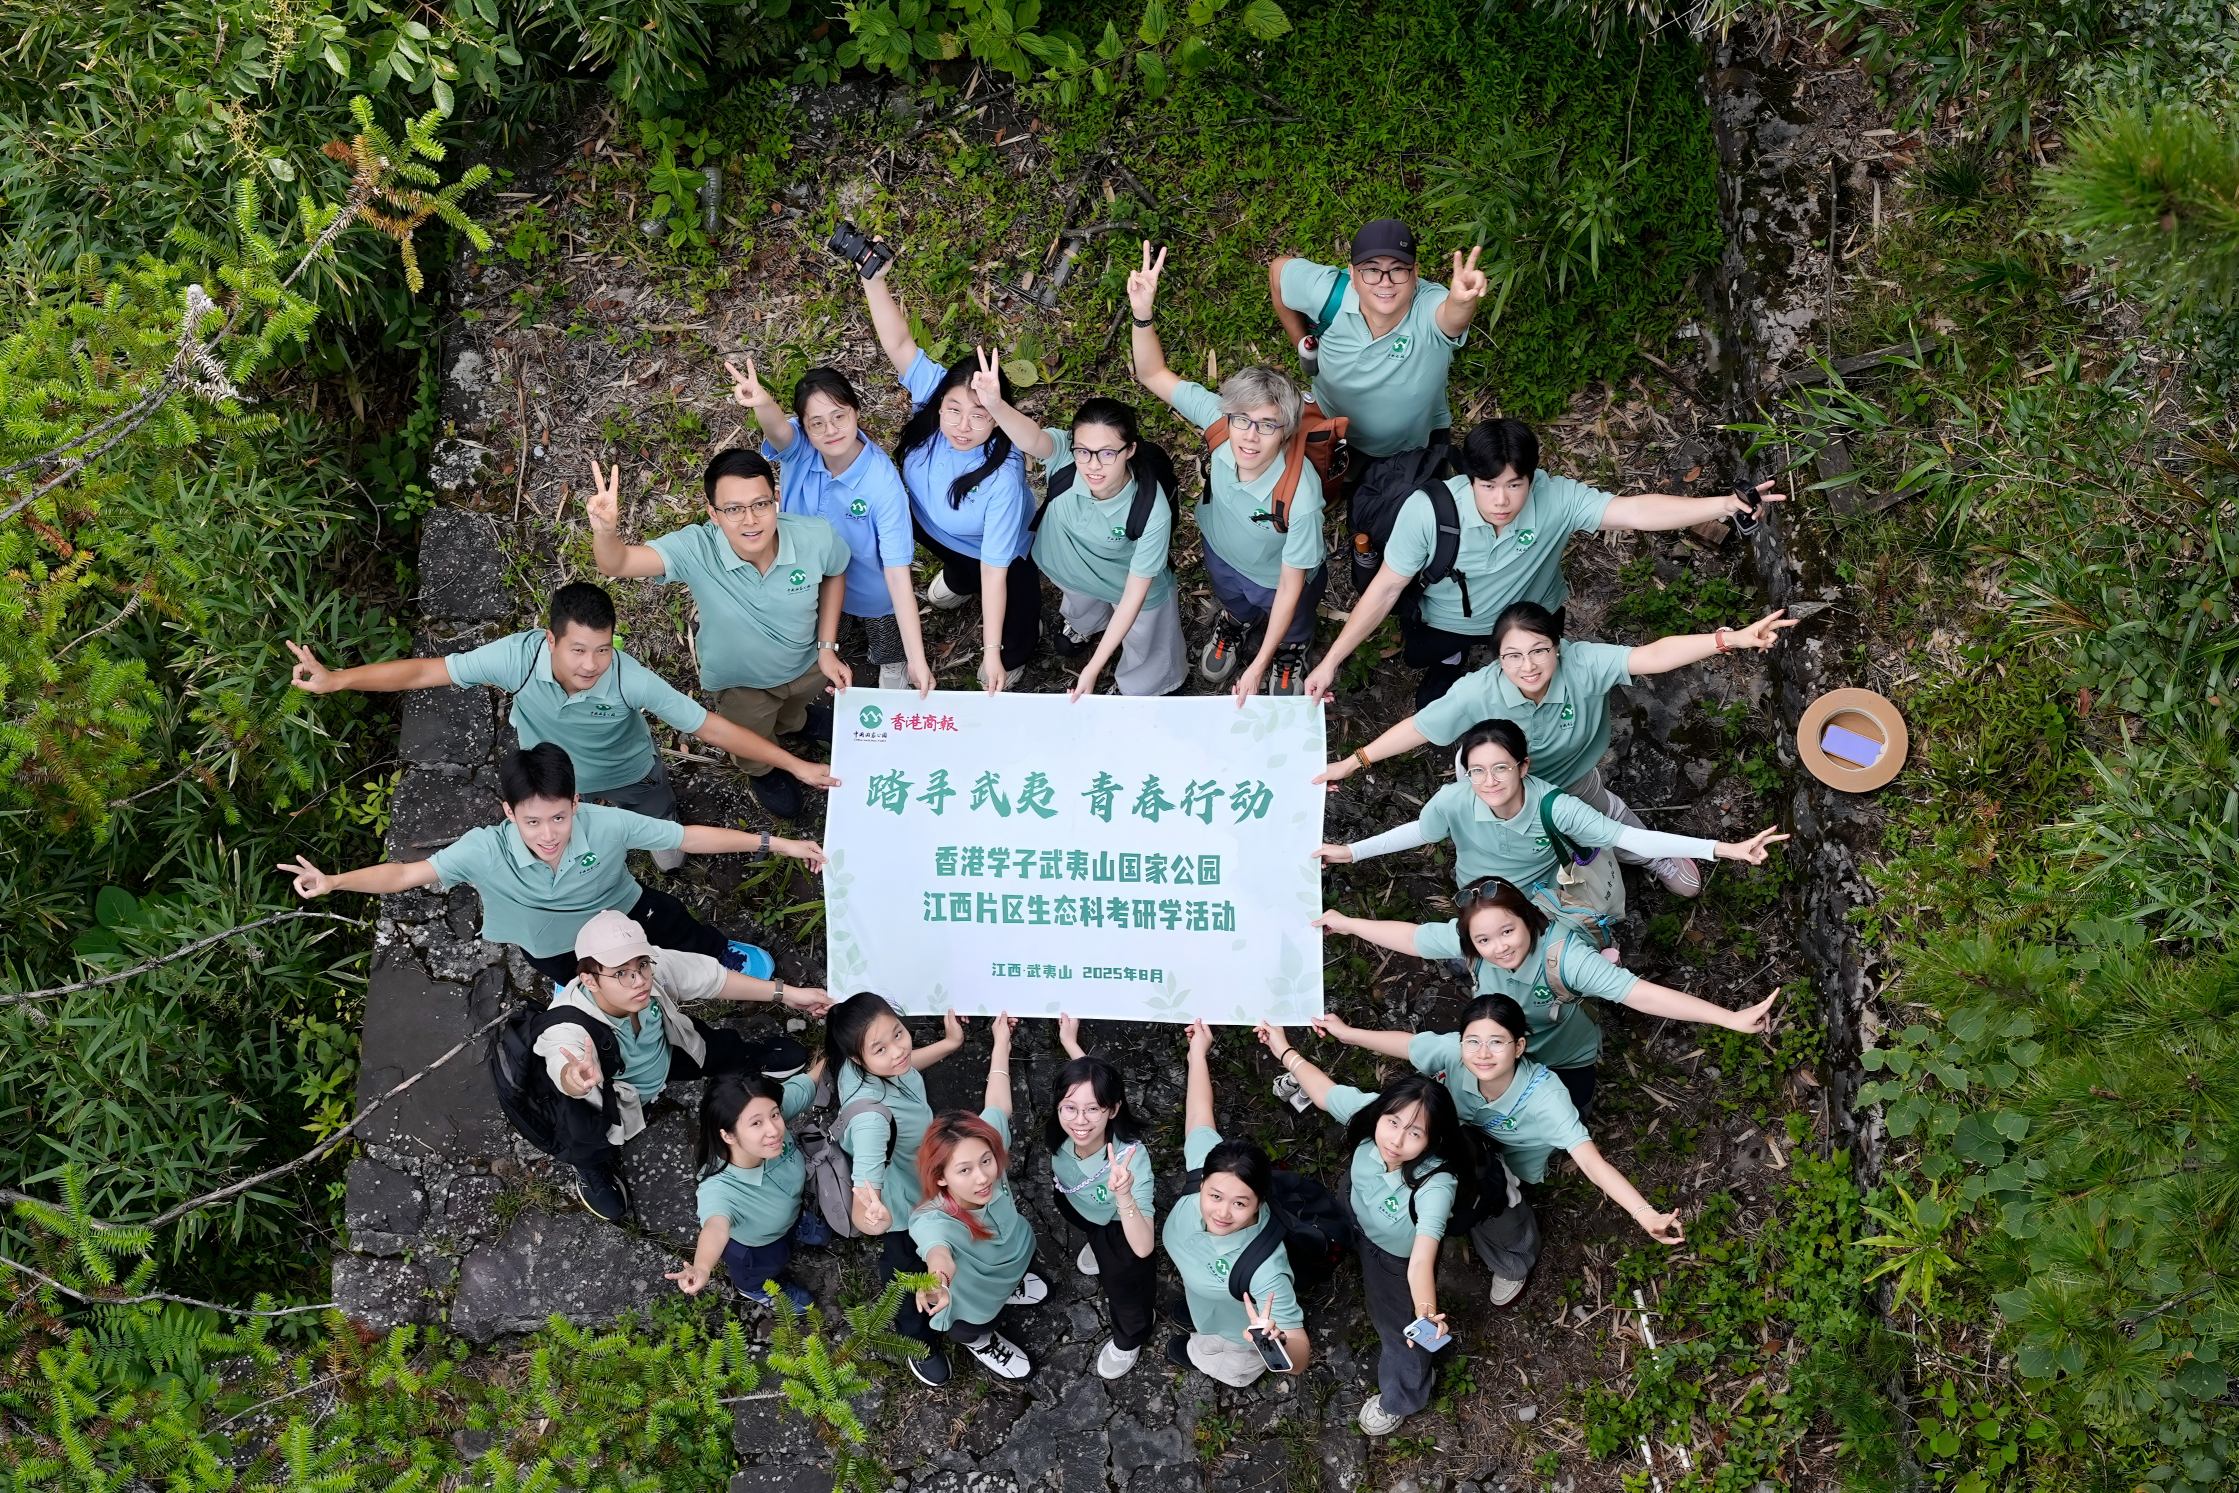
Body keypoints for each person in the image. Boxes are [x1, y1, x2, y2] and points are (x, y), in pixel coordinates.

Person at [285, 582, 837, 871]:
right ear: (549, 641)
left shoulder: (627, 679)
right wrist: (338, 680)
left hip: (631, 769)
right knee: (576, 831)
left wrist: (793, 764)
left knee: (658, 810)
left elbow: (710, 728)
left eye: (601, 649)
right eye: (577, 650)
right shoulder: (516, 658)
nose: (590, 665)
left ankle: (667, 847)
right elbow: (428, 670)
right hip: (560, 779)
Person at [1317, 600, 1798, 893]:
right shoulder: (1476, 692)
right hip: (1497, 784)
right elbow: (1421, 727)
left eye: (1538, 651)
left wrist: (1727, 639)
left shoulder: (1584, 664)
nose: (1527, 666)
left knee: (1602, 818)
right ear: (1496, 657)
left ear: (1558, 647)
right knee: (1515, 840)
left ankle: (1649, 857)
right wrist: (1354, 762)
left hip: (1570, 774)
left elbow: (1652, 656)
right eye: (1512, 656)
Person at [1303, 418, 1787, 708]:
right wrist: (1331, 661)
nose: (1501, 500)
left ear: (1533, 478)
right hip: (1448, 619)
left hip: (1533, 619)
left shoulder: (1556, 498)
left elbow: (1635, 511)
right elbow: (1386, 588)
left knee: (1534, 684)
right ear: (1469, 477)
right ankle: (1450, 662)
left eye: (1514, 485)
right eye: (1488, 485)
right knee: (1436, 664)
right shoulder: (1428, 512)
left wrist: (1722, 505)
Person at [277, 742, 824, 986]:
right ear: (507, 812)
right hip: (553, 944)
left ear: (577, 804)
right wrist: (336, 881)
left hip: (625, 908)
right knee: (575, 977)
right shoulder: (482, 849)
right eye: (531, 822)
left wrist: (776, 844)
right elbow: (404, 874)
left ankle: (716, 953)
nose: (547, 835)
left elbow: (686, 836)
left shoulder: (606, 825)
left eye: (559, 818)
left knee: (678, 924)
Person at [1308, 991, 1683, 1305]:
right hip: (1443, 1147)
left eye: (1497, 1042)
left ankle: (1512, 1261)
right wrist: (1348, 1034)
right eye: (1472, 1041)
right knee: (1436, 1204)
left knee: (1496, 1206)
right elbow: (1409, 1045)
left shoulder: (1544, 1096)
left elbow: (1589, 1159)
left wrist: (1644, 1213)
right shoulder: (1456, 1056)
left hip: (1501, 1165)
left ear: (1519, 1046)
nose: (1482, 1054)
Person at [1316, 876, 1778, 1118]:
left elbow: (1640, 995)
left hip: (1564, 1053)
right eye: (1483, 941)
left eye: (1507, 931)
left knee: (1573, 1100)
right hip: (1501, 1053)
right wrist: (1350, 924)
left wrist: (1728, 1018)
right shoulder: (1473, 944)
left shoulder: (1566, 959)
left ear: (1528, 919)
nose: (1499, 948)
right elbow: (1414, 938)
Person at [587, 450, 851, 821]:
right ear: (714, 514)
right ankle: (762, 769)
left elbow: (835, 571)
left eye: (760, 504)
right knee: (750, 732)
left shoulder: (814, 537)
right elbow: (618, 563)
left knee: (795, 706)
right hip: (742, 683)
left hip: (807, 664)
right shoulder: (697, 548)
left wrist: (826, 647)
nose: (750, 521)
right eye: (733, 509)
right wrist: (605, 532)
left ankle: (796, 724)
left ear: (776, 498)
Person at [525, 909, 821, 1222]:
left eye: (641, 965)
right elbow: (562, 1059)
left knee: (711, 1047)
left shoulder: (651, 970)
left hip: (662, 1055)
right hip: (608, 1098)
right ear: (589, 979)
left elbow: (712, 978)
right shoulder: (566, 1025)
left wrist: (786, 994)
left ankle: (749, 1059)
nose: (639, 981)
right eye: (621, 973)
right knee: (585, 1137)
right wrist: (576, 1078)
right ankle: (589, 1167)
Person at [1127, 242, 1327, 699]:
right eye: (1243, 420)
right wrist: (1142, 315)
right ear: (1230, 415)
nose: (1250, 436)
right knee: (1232, 599)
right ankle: (1236, 621)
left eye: (1267, 425)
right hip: (1220, 550)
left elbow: (1293, 583)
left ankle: (1289, 650)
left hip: (1279, 580)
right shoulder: (1220, 419)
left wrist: (1257, 667)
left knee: (1292, 617)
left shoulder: (1302, 496)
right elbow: (1153, 373)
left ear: (1287, 431)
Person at [1317, 718, 1786, 911]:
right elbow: (1419, 831)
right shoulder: (1455, 800)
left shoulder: (1552, 806)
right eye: (1475, 772)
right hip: (1485, 893)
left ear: (1523, 767)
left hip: (1550, 887)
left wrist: (1723, 849)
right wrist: (1351, 853)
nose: (1488, 783)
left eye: (1500, 768)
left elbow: (1626, 837)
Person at [1257, 1024, 1474, 1437]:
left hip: (1393, 1260)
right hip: (1352, 1209)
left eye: (1415, 1133)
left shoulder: (1436, 1185)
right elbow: (1323, 1092)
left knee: (1399, 1334)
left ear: (1433, 1139)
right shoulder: (1374, 1113)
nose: (1397, 1139)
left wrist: (1426, 1315)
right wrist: (1282, 1047)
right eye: (1393, 1123)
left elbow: (1422, 1260)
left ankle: (1403, 1396)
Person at [854, 255, 1040, 692]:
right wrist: (873, 282)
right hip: (932, 525)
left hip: (998, 550)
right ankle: (959, 579)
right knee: (959, 562)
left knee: (1016, 609)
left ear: (997, 417)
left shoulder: (1004, 478)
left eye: (979, 416)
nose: (961, 426)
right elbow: (899, 344)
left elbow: (995, 570)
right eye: (953, 410)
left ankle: (1016, 651)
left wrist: (992, 652)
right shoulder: (937, 392)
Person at [969, 354, 1188, 699]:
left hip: (1124, 583)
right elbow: (1031, 440)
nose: (1092, 465)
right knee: (1080, 600)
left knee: (1146, 636)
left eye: (1107, 453)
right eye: (1083, 451)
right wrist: (995, 405)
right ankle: (1087, 624)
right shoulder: (1065, 458)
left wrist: (1093, 667)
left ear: (1130, 450)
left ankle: (1144, 684)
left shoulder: (1150, 510)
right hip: (1067, 566)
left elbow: (1133, 597)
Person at [724, 357, 933, 697]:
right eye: (817, 423)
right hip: (811, 580)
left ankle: (893, 666)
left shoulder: (882, 485)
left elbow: (897, 575)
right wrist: (762, 402)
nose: (831, 430)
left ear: (856, 412)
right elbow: (777, 431)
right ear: (804, 428)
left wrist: (917, 659)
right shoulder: (799, 450)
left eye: (839, 416)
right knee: (834, 628)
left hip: (870, 590)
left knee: (885, 636)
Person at [828, 991, 969, 1385]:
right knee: (908, 1270)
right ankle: (918, 1342)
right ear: (859, 1059)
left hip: (924, 1173)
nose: (898, 1051)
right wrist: (874, 1216)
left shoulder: (878, 1064)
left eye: (898, 1033)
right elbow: (865, 1193)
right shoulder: (871, 1122)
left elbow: (906, 1067)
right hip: (903, 1206)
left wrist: (949, 1044)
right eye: (880, 1048)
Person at [1266, 219, 1485, 469]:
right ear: (1352, 274)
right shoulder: (1328, 294)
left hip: (1410, 449)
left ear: (1415, 272)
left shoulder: (1426, 306)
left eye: (1398, 269)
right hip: (1333, 429)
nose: (1385, 282)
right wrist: (1302, 343)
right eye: (1371, 269)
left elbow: (1450, 317)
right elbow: (1278, 272)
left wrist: (1462, 300)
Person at [1161, 1019, 1310, 1386]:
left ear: (1260, 1202)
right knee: (1200, 1310)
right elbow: (1198, 1115)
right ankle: (1203, 1318)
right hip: (1208, 1300)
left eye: (1240, 1203)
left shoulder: (1265, 1271)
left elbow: (1300, 1360)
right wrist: (1197, 1052)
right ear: (1203, 1181)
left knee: (1223, 1362)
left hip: (1238, 1343)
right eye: (1214, 1196)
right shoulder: (1204, 1165)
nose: (1222, 1213)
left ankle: (1208, 1359)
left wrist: (1275, 1341)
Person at [908, 1014, 1048, 1381]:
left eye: (986, 1161)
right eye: (965, 1170)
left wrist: (1001, 1040)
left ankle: (1011, 1287)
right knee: (971, 1326)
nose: (984, 1175)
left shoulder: (988, 1155)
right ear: (941, 1178)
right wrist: (937, 1278)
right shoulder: (933, 1219)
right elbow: (936, 1249)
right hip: (973, 1294)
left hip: (1014, 1254)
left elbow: (999, 1105)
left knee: (1017, 1273)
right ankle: (982, 1343)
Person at [669, 1066, 832, 1310]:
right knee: (765, 1267)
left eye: (775, 1115)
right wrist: (702, 1266)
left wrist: (842, 1042)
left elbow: (807, 1082)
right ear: (728, 1136)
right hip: (757, 1248)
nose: (774, 1130)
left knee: (793, 1221)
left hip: (791, 1211)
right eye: (756, 1123)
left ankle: (796, 1225)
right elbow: (715, 1228)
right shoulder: (718, 1188)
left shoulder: (766, 1112)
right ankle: (755, 1289)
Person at [1050, 1014, 1157, 1379]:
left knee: (1126, 1290)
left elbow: (1143, 1246)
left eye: (1094, 1109)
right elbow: (1087, 1089)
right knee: (1082, 1222)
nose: (1080, 1120)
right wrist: (1070, 1044)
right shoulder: (1061, 1126)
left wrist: (1124, 1194)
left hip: (1119, 1225)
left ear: (1112, 1110)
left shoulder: (1131, 1159)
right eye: (1069, 1108)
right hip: (1076, 1201)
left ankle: (1130, 1338)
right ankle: (1094, 1242)